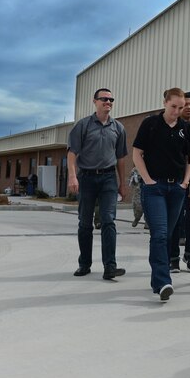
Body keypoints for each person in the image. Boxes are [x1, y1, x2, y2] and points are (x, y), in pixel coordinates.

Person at [132, 88, 190, 302]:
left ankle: (158, 279)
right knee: (159, 234)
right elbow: (136, 153)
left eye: (181, 107)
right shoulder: (150, 124)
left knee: (167, 236)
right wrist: (147, 179)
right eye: (173, 107)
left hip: (176, 189)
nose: (177, 111)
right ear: (165, 103)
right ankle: (162, 282)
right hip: (154, 188)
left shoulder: (186, 128)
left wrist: (185, 182)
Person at [68, 88, 129, 280]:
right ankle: (84, 264)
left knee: (108, 220)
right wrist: (72, 176)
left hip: (109, 179)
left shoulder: (118, 128)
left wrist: (122, 183)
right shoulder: (83, 125)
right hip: (86, 178)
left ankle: (110, 267)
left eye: (111, 99)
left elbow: (120, 158)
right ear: (95, 101)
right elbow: (71, 153)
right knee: (85, 222)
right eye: (104, 99)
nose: (108, 102)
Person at [169, 93, 190, 271]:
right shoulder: (173, 127)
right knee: (176, 220)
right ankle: (173, 258)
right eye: (185, 104)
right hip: (176, 182)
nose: (188, 107)